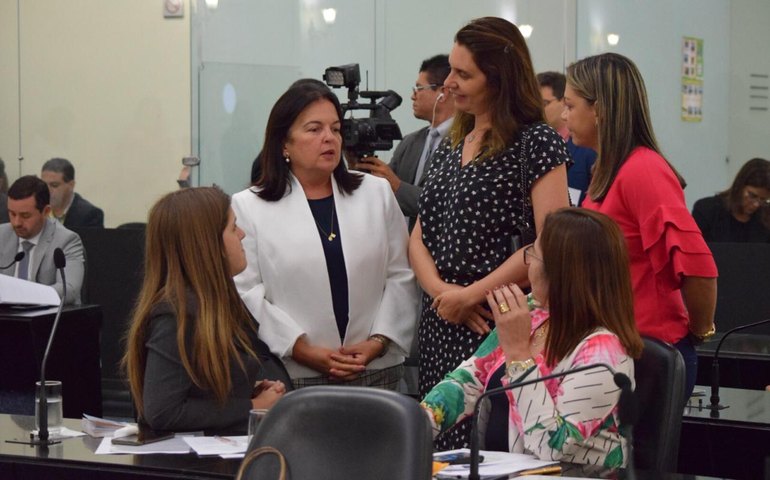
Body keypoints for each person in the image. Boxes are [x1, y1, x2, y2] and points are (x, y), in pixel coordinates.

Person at [409, 17, 570, 449]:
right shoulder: (451, 141)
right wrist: (445, 294)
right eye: (451, 71)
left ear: (498, 80)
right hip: (441, 319)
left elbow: (550, 242)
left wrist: (470, 295)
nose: (450, 83)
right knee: (438, 451)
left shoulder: (535, 142)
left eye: (464, 74)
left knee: (488, 451)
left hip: (496, 324)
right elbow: (420, 235)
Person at [232, 80, 419, 390]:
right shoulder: (249, 205)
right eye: (314, 129)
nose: (329, 139)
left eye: (335, 129)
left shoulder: (375, 192)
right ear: (284, 143)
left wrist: (378, 342)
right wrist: (302, 349)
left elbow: (401, 274)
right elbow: (247, 293)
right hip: (295, 373)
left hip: (375, 368)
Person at [422, 208, 643, 468]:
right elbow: (468, 380)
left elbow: (552, 446)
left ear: (560, 273)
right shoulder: (532, 312)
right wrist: (411, 424)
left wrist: (518, 354)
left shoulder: (605, 350)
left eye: (533, 254)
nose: (528, 264)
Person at [564, 52, 717, 397]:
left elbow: (699, 269)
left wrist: (698, 332)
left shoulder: (644, 170)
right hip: (615, 349)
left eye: (570, 106)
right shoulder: (608, 169)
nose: (564, 116)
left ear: (599, 109)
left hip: (648, 351)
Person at [123, 187, 289, 435]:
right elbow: (163, 411)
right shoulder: (176, 314)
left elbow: (198, 386)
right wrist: (253, 406)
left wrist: (245, 388)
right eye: (233, 228)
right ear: (208, 244)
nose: (242, 235)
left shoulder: (217, 303)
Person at [355, 54, 455, 231]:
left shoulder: (466, 143)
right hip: (404, 248)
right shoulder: (410, 141)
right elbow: (382, 196)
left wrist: (397, 186)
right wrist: (361, 166)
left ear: (443, 92)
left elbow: (448, 205)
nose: (412, 96)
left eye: (418, 88)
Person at [0, 175, 84, 305]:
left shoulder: (67, 240)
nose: (16, 222)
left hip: (47, 319)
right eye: (12, 213)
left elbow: (69, 289)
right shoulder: (2, 235)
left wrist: (22, 296)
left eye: (25, 215)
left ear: (46, 211)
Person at [536, 71, 597, 205]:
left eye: (545, 103)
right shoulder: (536, 147)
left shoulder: (587, 147)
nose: (538, 108)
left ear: (563, 101)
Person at [692, 158, 770, 243]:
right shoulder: (707, 210)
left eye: (763, 200)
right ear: (739, 185)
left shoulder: (765, 217)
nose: (756, 204)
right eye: (752, 195)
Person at [41, 157, 104, 228]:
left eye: (54, 185)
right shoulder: (37, 209)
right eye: (44, 185)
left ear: (71, 185)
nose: (47, 190)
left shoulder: (90, 215)